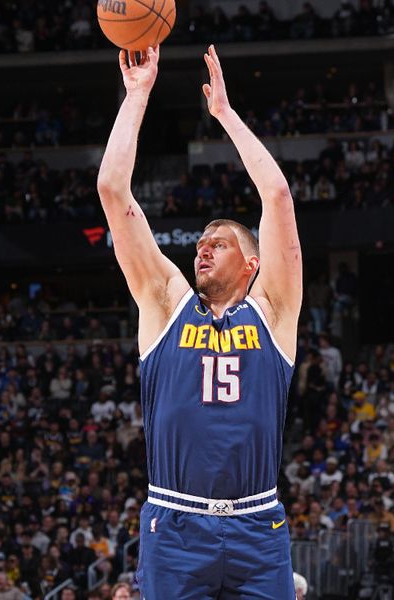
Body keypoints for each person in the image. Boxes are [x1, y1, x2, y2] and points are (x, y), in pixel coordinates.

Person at [97, 45, 301, 599]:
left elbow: (278, 197)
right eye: (200, 243)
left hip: (259, 525)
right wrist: (137, 93)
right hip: (176, 522)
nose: (202, 250)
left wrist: (226, 116)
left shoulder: (274, 312)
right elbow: (113, 191)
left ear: (252, 263)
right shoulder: (166, 303)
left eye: (219, 243)